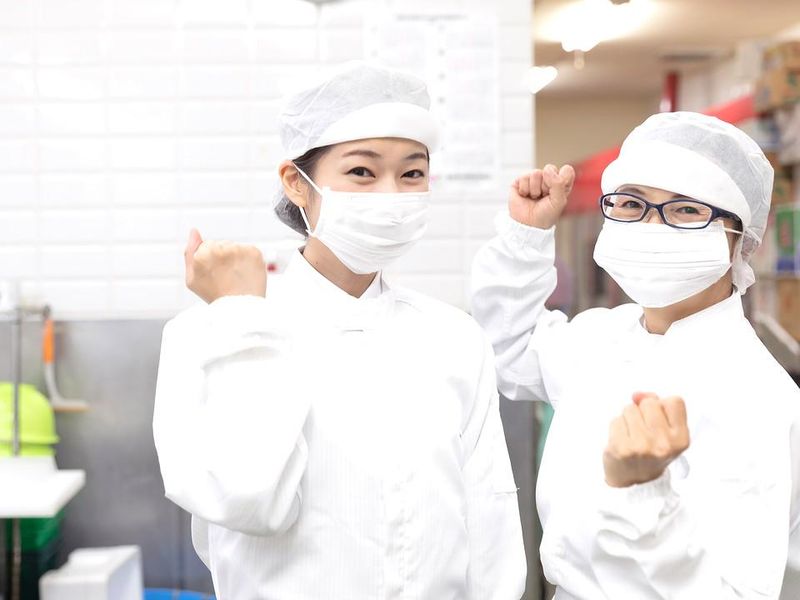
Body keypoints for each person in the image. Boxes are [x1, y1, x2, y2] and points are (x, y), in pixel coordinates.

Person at [153, 61, 525, 600]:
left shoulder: (454, 338)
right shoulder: (213, 334)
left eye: (412, 174)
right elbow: (248, 500)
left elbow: (490, 520)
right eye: (362, 172)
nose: (391, 195)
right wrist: (241, 318)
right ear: (296, 183)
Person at [471, 111, 800, 599]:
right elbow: (508, 349)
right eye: (630, 203)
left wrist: (645, 492)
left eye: (685, 209)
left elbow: (734, 591)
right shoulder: (603, 337)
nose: (651, 225)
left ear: (740, 239)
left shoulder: (760, 396)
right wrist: (526, 237)